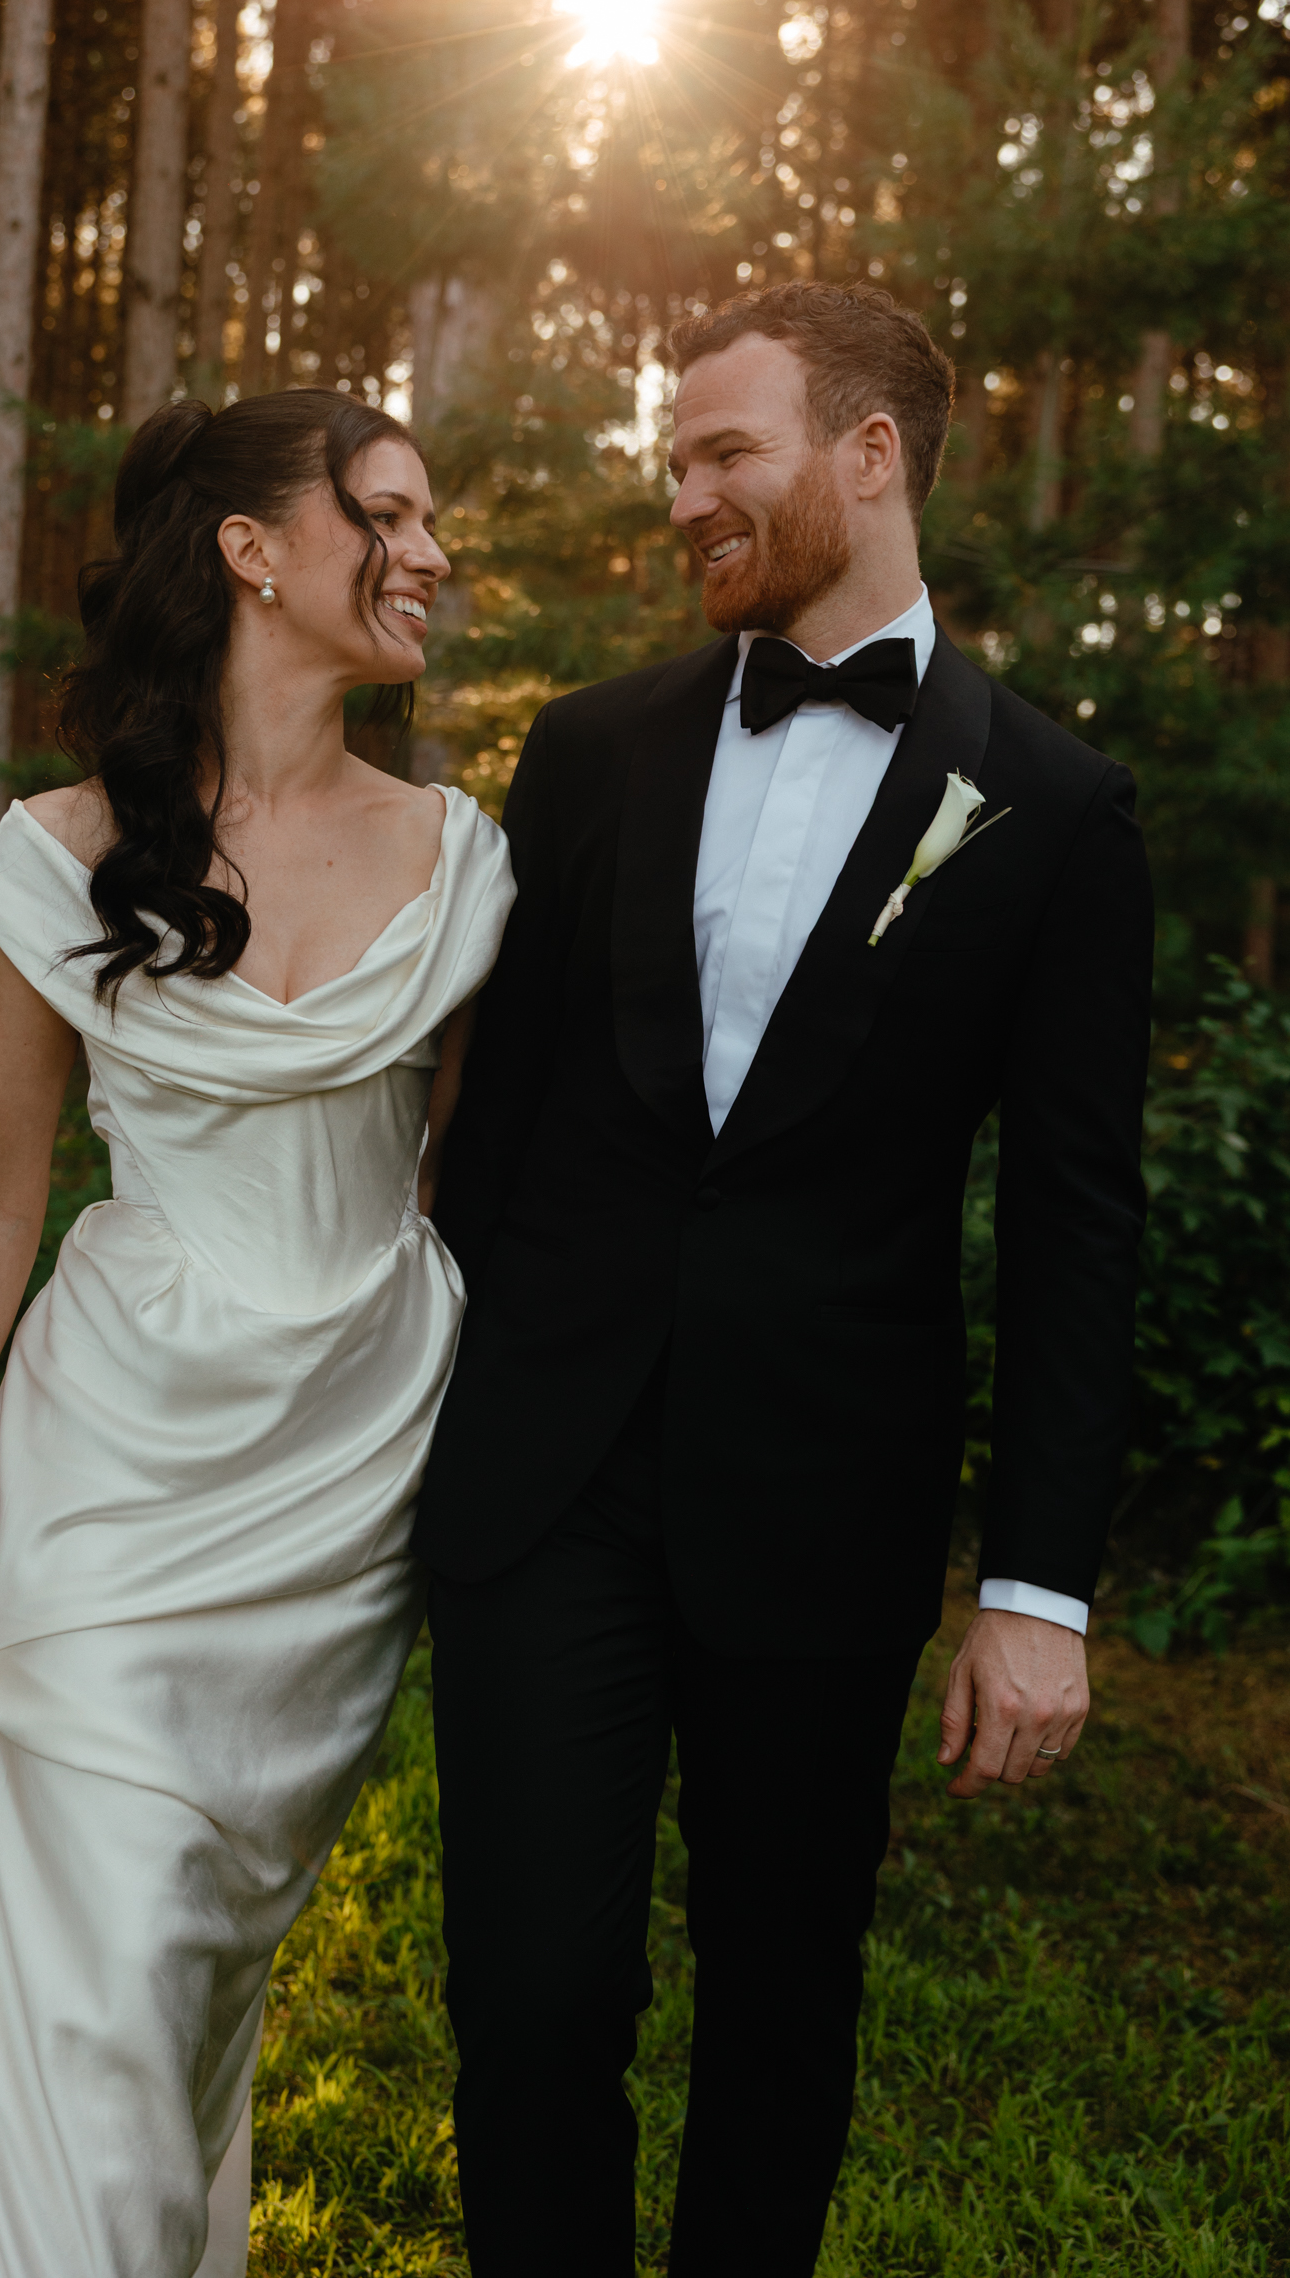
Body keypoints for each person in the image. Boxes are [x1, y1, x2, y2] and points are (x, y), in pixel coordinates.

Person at [415, 282, 1153, 2275]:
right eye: (675, 462)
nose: (686, 496)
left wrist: (1035, 1587)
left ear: (870, 454)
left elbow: (1083, 1219)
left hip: (826, 1505)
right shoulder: (588, 752)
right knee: (535, 1996)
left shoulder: (1058, 811)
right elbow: (496, 1134)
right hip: (548, 1478)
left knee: (778, 2009)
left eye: (723, 451)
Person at [0, 388, 514, 2278]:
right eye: (391, 514)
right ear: (257, 551)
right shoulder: (60, 851)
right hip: (107, 1459)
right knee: (78, 1953)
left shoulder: (466, 863)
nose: (432, 552)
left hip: (340, 1476)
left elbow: (465, 1178)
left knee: (175, 1980)